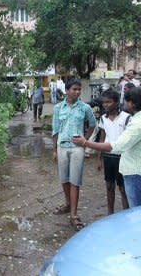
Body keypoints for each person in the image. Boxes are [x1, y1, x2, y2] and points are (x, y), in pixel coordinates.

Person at [73, 87, 141, 208]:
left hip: (136, 171)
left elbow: (117, 146)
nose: (125, 103)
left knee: (137, 209)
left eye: (127, 101)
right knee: (137, 203)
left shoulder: (136, 122)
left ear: (133, 103)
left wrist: (86, 143)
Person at [52, 79, 96, 231]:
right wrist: (54, 150)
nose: (77, 92)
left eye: (79, 89)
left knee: (74, 181)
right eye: (74, 89)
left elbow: (92, 124)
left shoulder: (85, 108)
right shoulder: (58, 108)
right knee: (64, 180)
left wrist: (85, 140)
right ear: (67, 91)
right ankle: (68, 203)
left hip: (77, 149)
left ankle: (73, 214)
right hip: (62, 147)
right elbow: (55, 129)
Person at [96, 89, 130, 214]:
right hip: (108, 156)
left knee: (123, 187)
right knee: (109, 186)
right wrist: (99, 158)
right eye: (104, 102)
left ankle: (125, 213)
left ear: (116, 102)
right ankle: (110, 213)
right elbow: (102, 137)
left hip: (122, 156)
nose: (105, 105)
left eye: (109, 102)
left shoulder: (126, 118)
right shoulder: (103, 119)